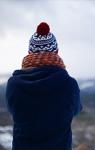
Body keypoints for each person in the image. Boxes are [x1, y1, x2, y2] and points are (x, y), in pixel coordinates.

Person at [6, 22, 82, 150]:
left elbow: (12, 110)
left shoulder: (13, 84)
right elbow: (76, 110)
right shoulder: (69, 84)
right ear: (56, 51)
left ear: (30, 52)